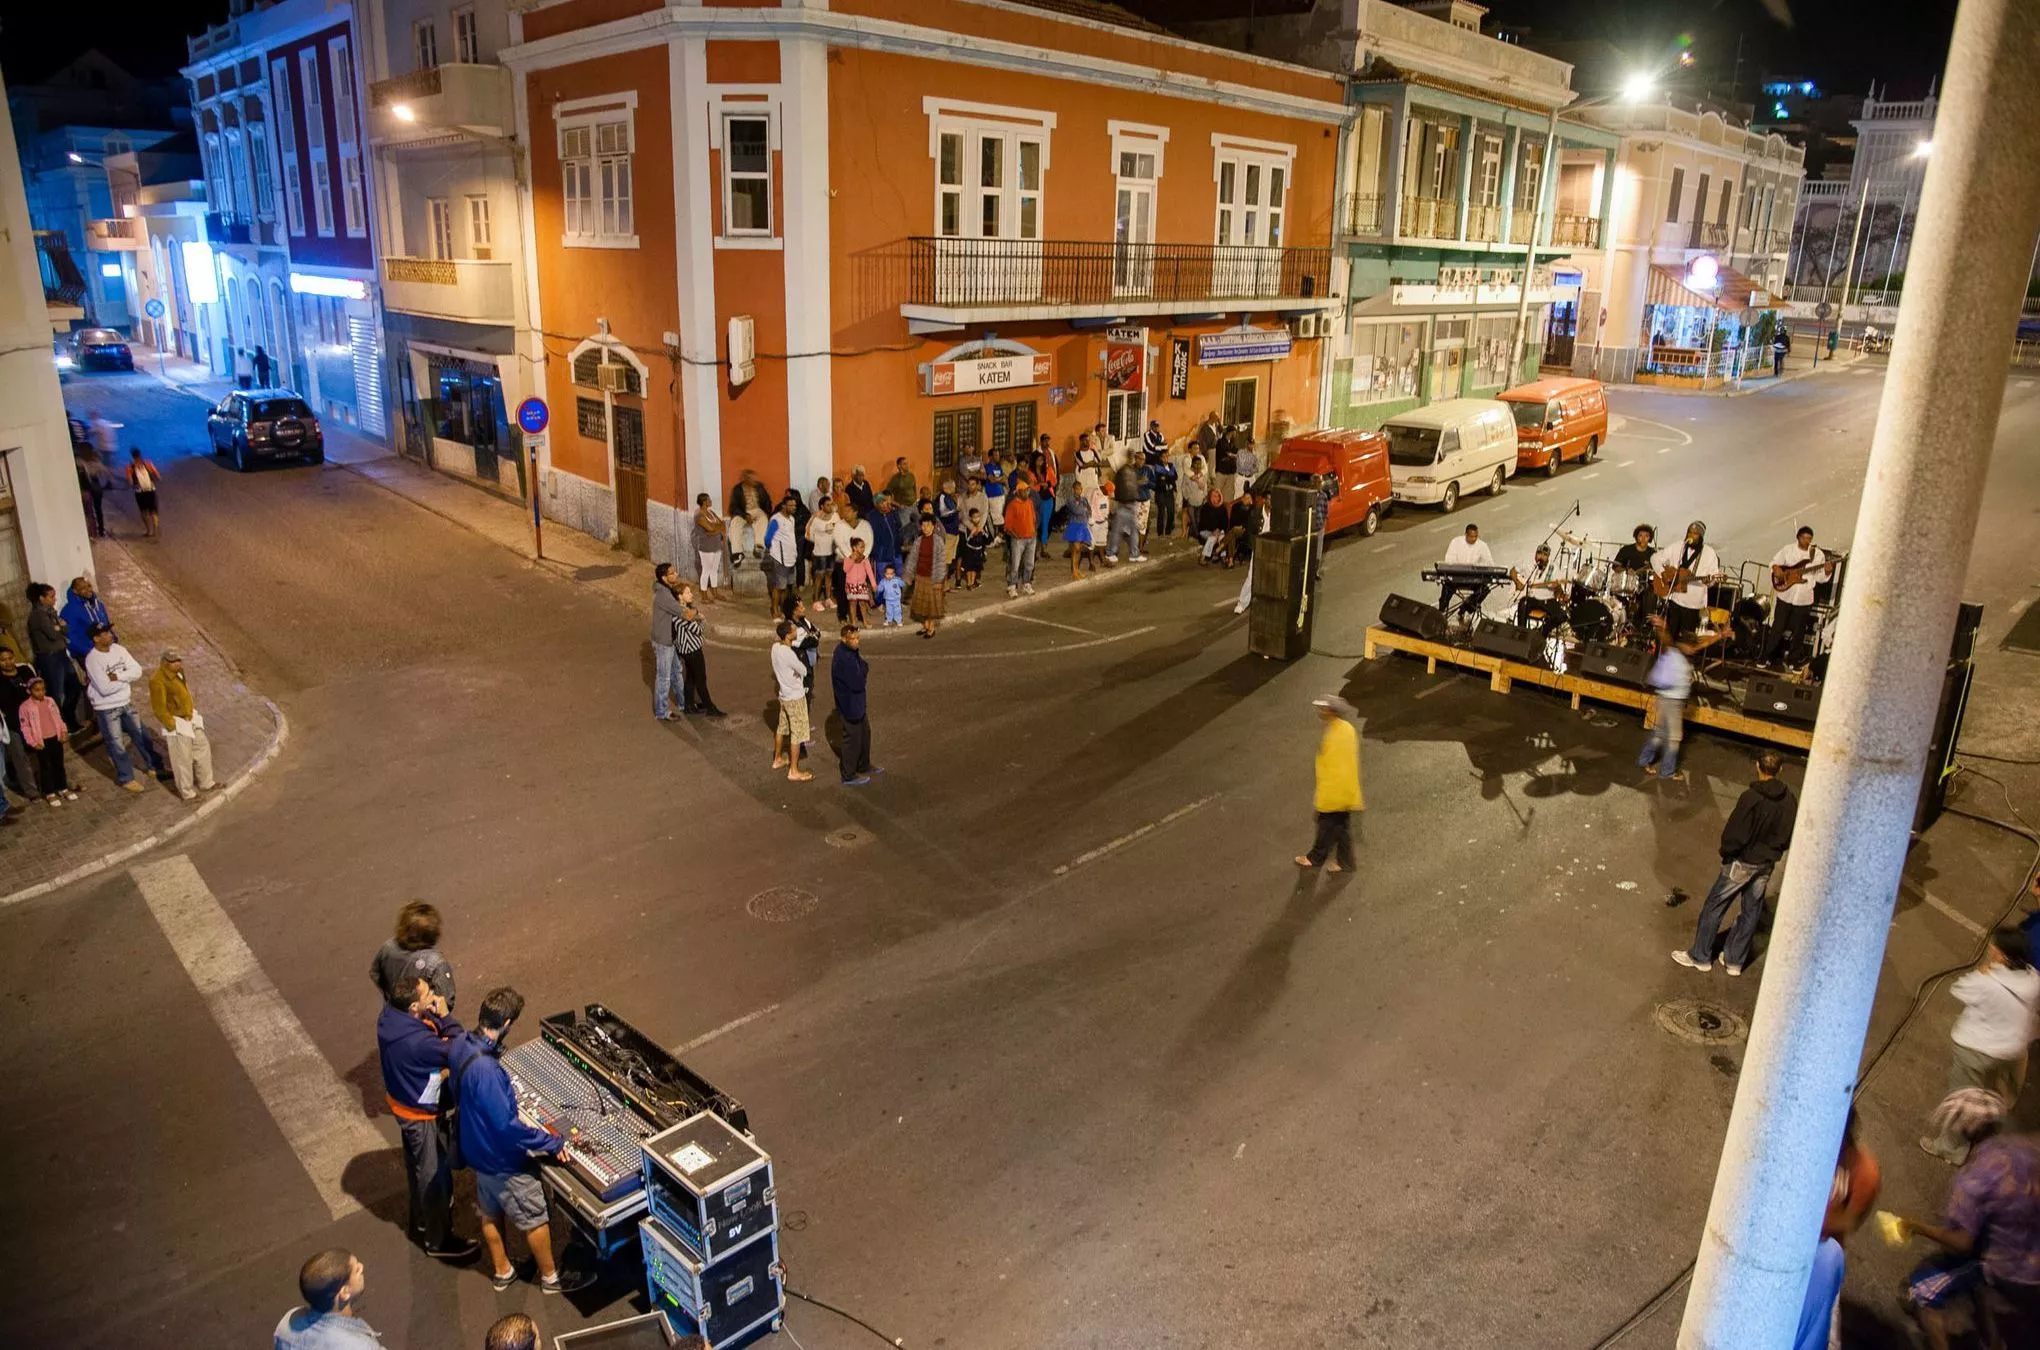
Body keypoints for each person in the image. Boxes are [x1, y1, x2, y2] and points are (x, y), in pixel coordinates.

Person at [450, 989, 595, 1295]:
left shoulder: (462, 1043)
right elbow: (507, 1128)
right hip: (502, 1160)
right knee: (535, 1217)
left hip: (476, 1151)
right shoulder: (488, 1072)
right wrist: (552, 1142)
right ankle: (551, 1279)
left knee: (490, 1211)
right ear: (505, 1022)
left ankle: (503, 1271)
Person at [1896, 1089, 2040, 1349]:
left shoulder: (1974, 1177)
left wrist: (1916, 1226)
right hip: (2032, 1255)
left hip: (2004, 1267)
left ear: (1964, 1130)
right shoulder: (2018, 1150)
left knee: (1921, 1291)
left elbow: (1962, 1243)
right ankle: (1994, 1343)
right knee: (1978, 1288)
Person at [1673, 750, 1799, 974]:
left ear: (1758, 767)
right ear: (1780, 769)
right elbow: (1788, 835)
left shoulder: (1751, 798)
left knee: (1715, 906)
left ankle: (1700, 956)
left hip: (1742, 862)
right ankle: (1734, 961)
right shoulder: (1789, 800)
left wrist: (1728, 853)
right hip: (1766, 863)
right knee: (1752, 910)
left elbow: (1735, 833)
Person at [378, 976, 478, 1260]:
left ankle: (421, 1220)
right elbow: (460, 1046)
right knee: (434, 1175)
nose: (433, 995)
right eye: (427, 994)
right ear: (412, 1006)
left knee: (418, 1168)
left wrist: (429, 1013)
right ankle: (438, 1240)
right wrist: (445, 1016)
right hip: (420, 1114)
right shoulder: (418, 1043)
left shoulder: (389, 1016)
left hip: (403, 1101)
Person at [1921, 930, 2040, 1164]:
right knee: (1995, 1090)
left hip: (1976, 1050)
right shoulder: (2034, 978)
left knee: (1963, 1101)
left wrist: (1983, 970)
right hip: (2012, 1051)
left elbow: (1959, 989)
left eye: (1995, 947)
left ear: (2004, 956)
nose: (1990, 948)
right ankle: (1989, 1125)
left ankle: (1951, 1148)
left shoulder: (1986, 982)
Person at [83, 623, 168, 792]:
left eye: (109, 631)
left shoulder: (118, 650)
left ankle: (154, 767)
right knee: (116, 744)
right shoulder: (92, 659)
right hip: (107, 708)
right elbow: (104, 689)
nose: (110, 635)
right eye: (105, 633)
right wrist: (126, 681)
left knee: (142, 735)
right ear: (96, 638)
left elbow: (137, 671)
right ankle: (126, 778)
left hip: (125, 702)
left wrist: (118, 677)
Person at [1296, 695, 1362, 872]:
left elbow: (1336, 768)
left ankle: (1314, 858)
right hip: (1344, 792)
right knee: (1341, 828)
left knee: (1325, 825)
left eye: (1324, 709)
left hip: (1335, 793)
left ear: (1332, 712)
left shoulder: (1337, 734)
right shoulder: (1344, 729)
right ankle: (1345, 862)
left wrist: (1325, 795)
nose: (1320, 712)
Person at [273, 1249, 379, 1350]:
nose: (362, 1266)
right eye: (356, 1270)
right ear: (344, 1293)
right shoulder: (361, 1346)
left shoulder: (286, 1324)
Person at [149, 649, 216, 799]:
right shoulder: (157, 680)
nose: (178, 663)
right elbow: (159, 708)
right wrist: (171, 724)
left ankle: (206, 783)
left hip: (190, 717)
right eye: (174, 661)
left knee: (202, 748)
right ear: (165, 663)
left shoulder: (179, 673)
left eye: (179, 660)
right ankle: (187, 793)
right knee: (182, 760)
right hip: (178, 723)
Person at [370, 900, 456, 1010]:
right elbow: (446, 1000)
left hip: (394, 1012)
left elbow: (375, 974)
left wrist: (391, 996)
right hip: (423, 1018)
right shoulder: (435, 962)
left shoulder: (388, 947)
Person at [1765, 526, 1832, 667]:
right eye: (1805, 538)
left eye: (1810, 538)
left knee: (1799, 631)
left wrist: (1826, 572)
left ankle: (1793, 661)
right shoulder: (1788, 549)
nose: (1807, 541)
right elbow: (1774, 563)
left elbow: (1820, 578)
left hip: (1804, 597)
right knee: (1778, 627)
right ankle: (1768, 656)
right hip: (1786, 594)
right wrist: (1777, 570)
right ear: (1798, 537)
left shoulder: (1817, 554)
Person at [1637, 623, 1694, 783]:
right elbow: (1667, 640)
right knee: (1674, 738)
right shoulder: (1675, 654)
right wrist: (1661, 628)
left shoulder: (1678, 656)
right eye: (1690, 646)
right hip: (1671, 702)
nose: (1692, 649)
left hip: (1665, 699)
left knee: (1659, 734)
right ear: (1684, 645)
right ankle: (1668, 771)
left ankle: (1644, 760)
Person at [27, 583, 83, 733]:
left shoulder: (51, 613)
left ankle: (68, 718)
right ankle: (59, 725)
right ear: (41, 598)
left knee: (74, 686)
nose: (54, 599)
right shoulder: (38, 615)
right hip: (50, 657)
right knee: (57, 693)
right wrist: (59, 627)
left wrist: (59, 627)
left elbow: (65, 627)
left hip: (61, 654)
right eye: (51, 597)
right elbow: (53, 634)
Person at [1657, 521, 1719, 644]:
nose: (1691, 535)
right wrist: (1664, 572)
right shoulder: (1678, 546)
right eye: (1689, 532)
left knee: (1685, 642)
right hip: (1674, 599)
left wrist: (1709, 581)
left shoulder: (1709, 553)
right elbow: (1658, 558)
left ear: (1701, 536)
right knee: (1668, 637)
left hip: (1693, 604)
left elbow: (1714, 579)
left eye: (1695, 534)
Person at [831, 624, 879, 785]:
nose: (857, 641)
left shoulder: (851, 652)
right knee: (852, 739)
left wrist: (863, 670)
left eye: (858, 638)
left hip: (857, 704)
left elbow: (864, 665)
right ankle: (848, 774)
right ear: (844, 639)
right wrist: (863, 672)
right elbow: (858, 682)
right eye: (853, 638)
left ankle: (863, 765)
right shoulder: (843, 658)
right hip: (849, 705)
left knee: (865, 734)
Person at [18, 674, 75, 804]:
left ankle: (62, 787)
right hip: (41, 741)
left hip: (54, 737)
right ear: (29, 691)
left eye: (43, 689)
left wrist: (63, 731)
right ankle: (49, 792)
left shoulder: (50, 701)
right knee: (45, 766)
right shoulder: (25, 707)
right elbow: (25, 726)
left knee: (59, 764)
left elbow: (58, 717)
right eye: (37, 690)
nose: (41, 692)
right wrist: (32, 742)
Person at [770, 621, 814, 782]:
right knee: (797, 733)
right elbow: (802, 670)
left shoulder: (775, 648)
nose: (796, 630)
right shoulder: (788, 654)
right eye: (793, 630)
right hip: (795, 696)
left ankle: (777, 759)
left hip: (783, 695)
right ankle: (794, 770)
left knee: (781, 727)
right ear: (788, 635)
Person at [673, 596, 724, 717]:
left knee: (691, 678)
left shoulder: (681, 611)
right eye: (687, 592)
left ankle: (689, 705)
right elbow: (698, 629)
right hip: (692, 650)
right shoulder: (682, 613)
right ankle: (709, 707)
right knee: (700, 678)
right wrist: (700, 619)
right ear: (680, 596)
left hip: (687, 650)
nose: (691, 594)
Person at [0, 645, 38, 802]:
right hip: (13, 724)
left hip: (34, 720)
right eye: (3, 660)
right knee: (20, 758)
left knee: (43, 753)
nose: (7, 662)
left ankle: (53, 783)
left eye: (10, 658)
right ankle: (32, 791)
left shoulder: (25, 672)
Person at [651, 564, 689, 722]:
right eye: (672, 573)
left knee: (676, 671)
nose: (676, 574)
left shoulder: (666, 590)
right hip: (663, 642)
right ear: (664, 577)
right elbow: (683, 613)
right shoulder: (664, 595)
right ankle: (661, 711)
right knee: (664, 677)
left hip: (669, 639)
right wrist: (697, 614)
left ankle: (683, 703)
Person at [1438, 523, 1495, 614]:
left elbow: (1490, 563)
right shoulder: (1455, 542)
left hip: (1473, 579)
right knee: (1447, 586)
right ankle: (1441, 611)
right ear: (1465, 535)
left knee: (1484, 590)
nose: (1474, 539)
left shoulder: (1482, 545)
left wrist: (1479, 568)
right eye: (1471, 536)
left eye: (1476, 536)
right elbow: (1449, 560)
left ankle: (1465, 608)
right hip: (1456, 578)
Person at [907, 514, 947, 639]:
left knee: (930, 605)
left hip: (932, 577)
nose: (925, 528)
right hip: (920, 576)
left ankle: (931, 628)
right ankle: (925, 626)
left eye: (928, 525)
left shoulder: (938, 541)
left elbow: (941, 562)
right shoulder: (918, 541)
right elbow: (912, 559)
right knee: (922, 605)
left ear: (933, 526)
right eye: (923, 525)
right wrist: (909, 574)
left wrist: (939, 580)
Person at [1510, 543, 1567, 628]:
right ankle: (1521, 632)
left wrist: (1558, 590)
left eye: (1544, 555)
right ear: (1535, 554)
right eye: (1539, 553)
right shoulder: (1528, 564)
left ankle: (1541, 633)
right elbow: (1513, 571)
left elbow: (1558, 591)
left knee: (1562, 616)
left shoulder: (1554, 568)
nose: (1541, 557)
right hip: (1532, 598)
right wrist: (1517, 583)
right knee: (1522, 604)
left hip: (1548, 600)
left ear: (1548, 557)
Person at [764, 498, 801, 617]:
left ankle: (783, 609)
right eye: (791, 505)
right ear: (784, 506)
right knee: (778, 587)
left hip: (791, 558)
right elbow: (767, 538)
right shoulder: (776, 520)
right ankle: (774, 610)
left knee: (786, 587)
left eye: (794, 505)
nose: (794, 508)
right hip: (780, 558)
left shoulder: (792, 519)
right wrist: (773, 550)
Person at [1003, 479, 1039, 597]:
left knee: (1030, 564)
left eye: (1028, 490)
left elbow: (1033, 518)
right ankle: (1012, 586)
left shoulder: (1029, 503)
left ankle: (1026, 584)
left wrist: (1033, 531)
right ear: (1019, 492)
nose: (1027, 493)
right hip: (1018, 540)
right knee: (1015, 565)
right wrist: (1015, 536)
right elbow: (1007, 526)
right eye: (1025, 491)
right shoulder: (1012, 506)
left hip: (1031, 538)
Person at [727, 469, 773, 560]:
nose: (753, 480)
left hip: (757, 510)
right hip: (743, 512)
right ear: (744, 479)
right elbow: (733, 507)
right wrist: (745, 515)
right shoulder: (737, 489)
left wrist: (768, 513)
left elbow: (767, 501)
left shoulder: (760, 487)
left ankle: (759, 545)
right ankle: (737, 553)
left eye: (753, 478)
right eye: (750, 478)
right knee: (734, 523)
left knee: (763, 518)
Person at [1103, 460, 1142, 565]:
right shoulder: (1121, 476)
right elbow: (1118, 493)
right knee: (1117, 531)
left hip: (1131, 505)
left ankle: (1134, 554)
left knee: (1134, 530)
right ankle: (1111, 553)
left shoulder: (1130, 474)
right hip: (1123, 506)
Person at [806, 496, 841, 611]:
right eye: (827, 505)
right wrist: (819, 541)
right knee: (819, 576)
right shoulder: (815, 518)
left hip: (832, 551)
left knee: (829, 575)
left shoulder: (835, 516)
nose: (830, 506)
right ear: (822, 506)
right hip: (820, 552)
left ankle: (828, 599)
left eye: (831, 504)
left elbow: (840, 529)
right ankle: (816, 601)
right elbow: (808, 534)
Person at [693, 494, 728, 601]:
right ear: (704, 502)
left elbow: (722, 524)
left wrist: (715, 529)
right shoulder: (699, 516)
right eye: (709, 500)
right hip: (706, 547)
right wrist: (717, 529)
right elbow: (710, 529)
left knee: (714, 570)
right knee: (706, 570)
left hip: (716, 545)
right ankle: (704, 595)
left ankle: (715, 592)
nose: (711, 501)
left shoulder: (711, 513)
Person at [128, 447, 163, 538]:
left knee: (144, 512)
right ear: (140, 455)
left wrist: (131, 484)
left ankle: (148, 531)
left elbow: (130, 482)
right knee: (153, 511)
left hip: (140, 493)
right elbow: (158, 477)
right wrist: (156, 480)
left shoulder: (130, 468)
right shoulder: (148, 464)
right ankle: (155, 531)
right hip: (151, 490)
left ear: (132, 456)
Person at [842, 537, 876, 625]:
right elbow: (846, 569)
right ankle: (853, 622)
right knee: (852, 603)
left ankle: (865, 621)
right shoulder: (848, 558)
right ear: (854, 547)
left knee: (863, 603)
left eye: (863, 547)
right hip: (851, 585)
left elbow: (870, 572)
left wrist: (873, 584)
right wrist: (852, 560)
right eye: (861, 547)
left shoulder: (865, 559)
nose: (863, 549)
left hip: (862, 585)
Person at [1224, 489, 1260, 572]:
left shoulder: (1253, 509)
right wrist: (1237, 527)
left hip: (1246, 531)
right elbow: (1232, 521)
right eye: (1244, 497)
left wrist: (1243, 526)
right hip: (1235, 530)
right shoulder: (1236, 507)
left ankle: (1221, 547)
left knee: (1232, 533)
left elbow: (1251, 524)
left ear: (1251, 499)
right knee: (1232, 534)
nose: (1245, 499)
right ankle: (1230, 561)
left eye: (1248, 497)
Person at [1063, 487, 1094, 579]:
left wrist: (1085, 510)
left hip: (1082, 525)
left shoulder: (1083, 499)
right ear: (1074, 489)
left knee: (1079, 549)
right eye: (1077, 489)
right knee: (1075, 549)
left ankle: (1077, 570)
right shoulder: (1071, 500)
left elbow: (1089, 509)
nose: (1078, 491)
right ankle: (1074, 571)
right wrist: (1084, 509)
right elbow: (1077, 511)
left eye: (1080, 489)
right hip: (1074, 526)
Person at [956, 508, 991, 591]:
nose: (977, 519)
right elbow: (966, 540)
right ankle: (969, 583)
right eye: (974, 517)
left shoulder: (983, 526)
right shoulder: (968, 527)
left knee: (975, 567)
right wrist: (971, 534)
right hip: (970, 550)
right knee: (969, 567)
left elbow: (988, 539)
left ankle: (972, 582)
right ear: (971, 518)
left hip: (978, 550)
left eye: (978, 516)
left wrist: (982, 532)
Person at [1152, 446, 1180, 539]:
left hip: (1170, 492)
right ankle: (1160, 533)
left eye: (1167, 456)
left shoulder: (1171, 465)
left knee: (1171, 511)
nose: (1166, 458)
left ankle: (1168, 531)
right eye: (1164, 457)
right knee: (1161, 512)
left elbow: (1175, 476)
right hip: (1161, 492)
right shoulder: (1157, 466)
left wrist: (1166, 476)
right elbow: (1160, 478)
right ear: (1160, 458)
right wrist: (1168, 476)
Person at [1195, 489, 1229, 564]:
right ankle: (1203, 557)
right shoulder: (1205, 507)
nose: (1216, 498)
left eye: (1217, 496)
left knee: (1222, 537)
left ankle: (1223, 556)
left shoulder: (1222, 508)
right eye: (1214, 496)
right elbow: (1204, 522)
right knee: (1212, 538)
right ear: (1210, 497)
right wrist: (1213, 531)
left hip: (1218, 531)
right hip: (1205, 530)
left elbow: (1225, 522)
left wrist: (1219, 530)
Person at [1214, 422, 1240, 501]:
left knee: (1228, 497)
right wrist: (1234, 456)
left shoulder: (1232, 443)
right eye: (1235, 433)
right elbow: (1228, 454)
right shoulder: (1220, 442)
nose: (1235, 435)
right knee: (1217, 494)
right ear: (1231, 432)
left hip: (1230, 472)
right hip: (1221, 472)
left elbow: (1236, 452)